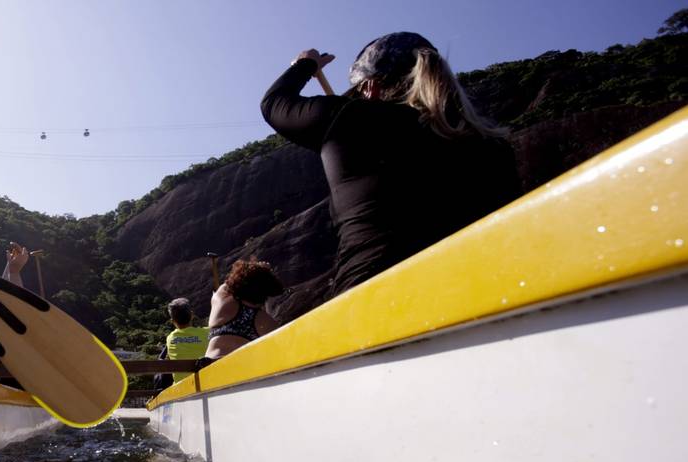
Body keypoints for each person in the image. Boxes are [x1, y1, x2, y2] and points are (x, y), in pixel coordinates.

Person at [261, 32, 519, 299]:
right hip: (479, 296)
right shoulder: (493, 146)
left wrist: (306, 64)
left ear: (370, 87)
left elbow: (274, 104)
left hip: (375, 300)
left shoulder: (352, 119)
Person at [205, 260, 283, 359]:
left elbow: (227, 285)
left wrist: (256, 269)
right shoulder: (263, 319)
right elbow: (279, 346)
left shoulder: (221, 301)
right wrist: (265, 274)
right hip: (238, 366)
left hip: (208, 364)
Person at [157, 298, 209, 386]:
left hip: (181, 388)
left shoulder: (170, 338)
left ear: (172, 321)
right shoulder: (208, 333)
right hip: (207, 382)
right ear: (192, 315)